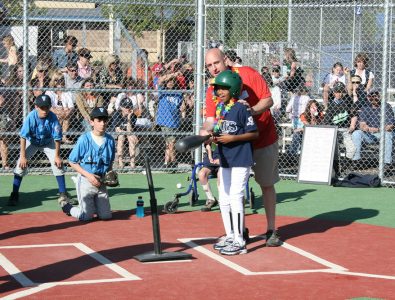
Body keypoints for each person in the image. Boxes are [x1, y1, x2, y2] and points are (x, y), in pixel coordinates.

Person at [204, 48, 282, 247]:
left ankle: (271, 229)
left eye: (216, 63)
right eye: (209, 66)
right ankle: (239, 231)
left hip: (262, 137)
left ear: (225, 60)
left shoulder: (247, 74)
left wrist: (250, 110)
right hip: (236, 146)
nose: (213, 69)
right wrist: (204, 133)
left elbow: (268, 100)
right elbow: (210, 121)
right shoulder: (213, 90)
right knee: (230, 189)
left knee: (266, 183)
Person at [208, 70, 258, 255]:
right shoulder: (221, 109)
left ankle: (239, 240)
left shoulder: (242, 108)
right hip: (226, 158)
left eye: (224, 88)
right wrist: (215, 138)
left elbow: (254, 133)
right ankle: (230, 235)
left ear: (234, 89)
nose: (220, 91)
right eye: (217, 88)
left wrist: (232, 139)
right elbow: (221, 132)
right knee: (224, 196)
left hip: (241, 158)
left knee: (236, 195)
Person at [7, 94, 72, 206]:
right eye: (42, 107)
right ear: (36, 107)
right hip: (32, 142)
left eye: (47, 107)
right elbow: (23, 137)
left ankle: (63, 193)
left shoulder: (52, 117)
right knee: (20, 165)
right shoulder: (31, 117)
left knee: (58, 164)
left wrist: (57, 156)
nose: (45, 110)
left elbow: (57, 138)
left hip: (48, 142)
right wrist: (23, 157)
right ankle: (14, 194)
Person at [59, 107, 115, 221]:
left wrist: (109, 175)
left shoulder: (110, 140)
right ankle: (67, 207)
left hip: (101, 181)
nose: (102, 123)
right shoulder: (84, 139)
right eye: (99, 120)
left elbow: (110, 162)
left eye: (105, 120)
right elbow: (72, 161)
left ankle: (93, 206)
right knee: (86, 217)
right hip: (86, 180)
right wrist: (89, 176)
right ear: (91, 122)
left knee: (106, 216)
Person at [352, 89, 394, 167]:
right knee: (356, 133)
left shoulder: (386, 106)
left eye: (375, 96)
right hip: (369, 134)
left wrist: (377, 129)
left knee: (388, 135)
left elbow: (390, 126)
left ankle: (386, 163)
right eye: (371, 96)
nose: (373, 98)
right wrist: (367, 128)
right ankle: (356, 161)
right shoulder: (365, 107)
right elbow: (362, 125)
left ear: (379, 96)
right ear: (368, 97)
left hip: (382, 133)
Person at [323, 81, 357, 174]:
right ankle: (337, 170)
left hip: (345, 130)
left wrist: (352, 125)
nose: (339, 93)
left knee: (352, 149)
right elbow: (326, 122)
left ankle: (344, 166)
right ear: (334, 92)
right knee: (335, 151)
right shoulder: (330, 104)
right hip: (334, 130)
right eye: (337, 91)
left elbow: (354, 115)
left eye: (341, 91)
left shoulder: (347, 102)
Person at [156, 73, 184, 168]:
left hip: (174, 122)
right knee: (171, 143)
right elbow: (160, 79)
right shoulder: (163, 91)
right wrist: (174, 74)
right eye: (169, 81)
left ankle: (166, 163)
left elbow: (182, 107)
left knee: (169, 143)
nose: (171, 83)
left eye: (173, 81)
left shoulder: (178, 94)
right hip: (165, 121)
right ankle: (173, 162)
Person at [110, 98, 139, 168]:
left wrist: (129, 117)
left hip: (128, 134)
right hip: (118, 135)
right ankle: (120, 162)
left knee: (131, 138)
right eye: (125, 107)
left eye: (129, 107)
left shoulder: (133, 115)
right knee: (121, 136)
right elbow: (118, 130)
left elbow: (130, 129)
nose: (127, 109)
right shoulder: (117, 114)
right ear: (121, 107)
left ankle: (132, 163)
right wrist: (128, 133)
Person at [286, 86, 311, 155]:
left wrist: (291, 113)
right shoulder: (307, 98)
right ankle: (296, 150)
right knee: (300, 134)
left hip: (295, 118)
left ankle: (294, 151)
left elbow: (287, 109)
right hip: (304, 118)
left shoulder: (294, 98)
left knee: (296, 133)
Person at [199, 142, 220, 212]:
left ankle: (222, 200)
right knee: (202, 174)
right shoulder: (209, 142)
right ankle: (211, 199)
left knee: (221, 175)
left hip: (222, 163)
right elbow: (209, 149)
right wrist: (210, 158)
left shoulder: (225, 137)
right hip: (210, 163)